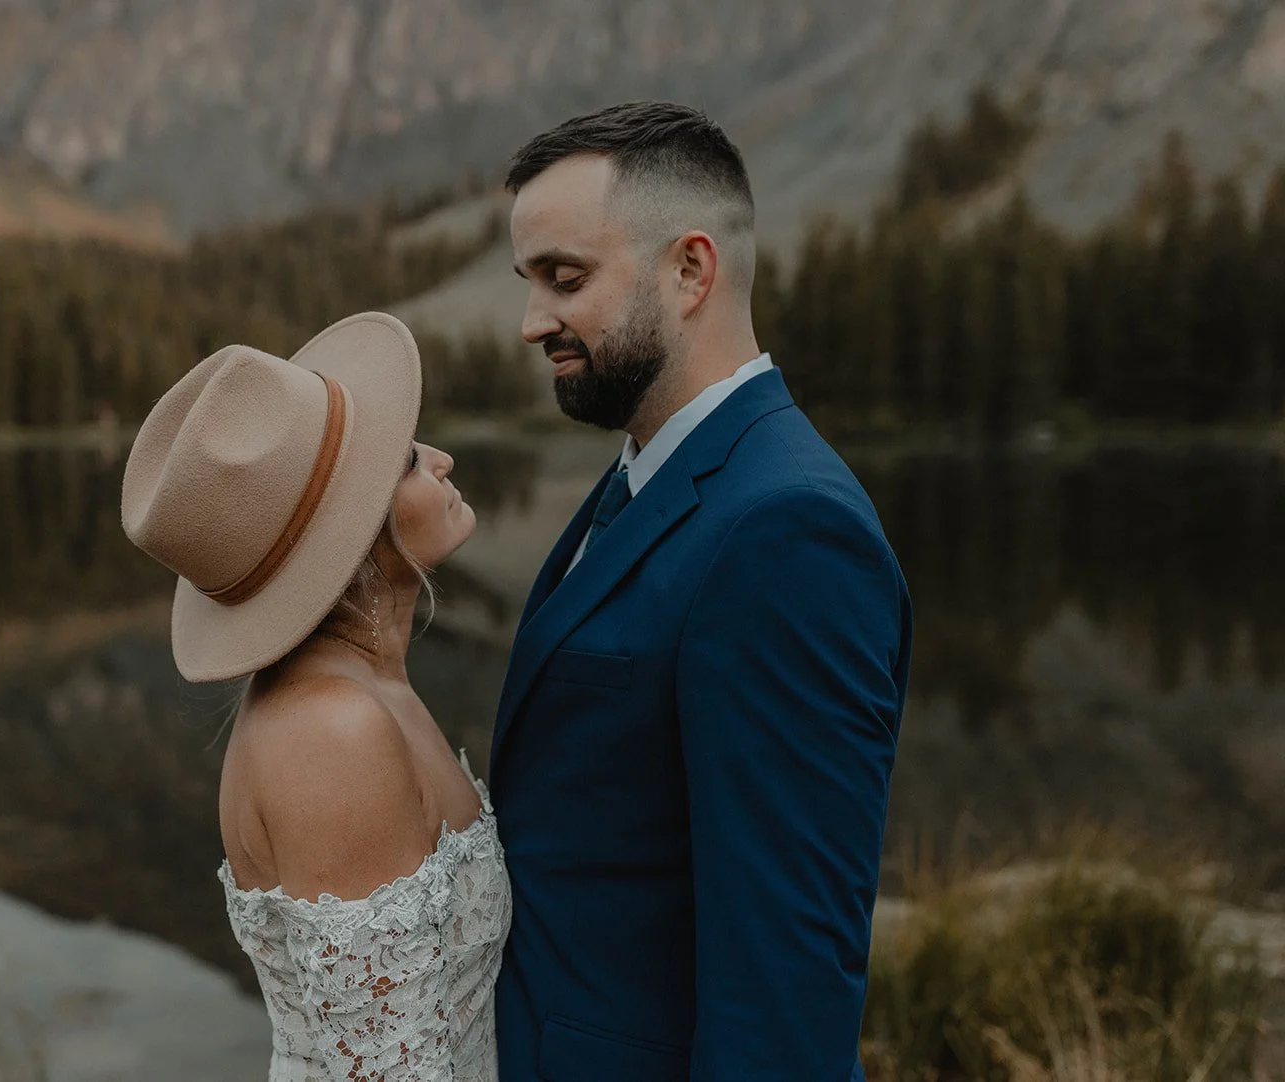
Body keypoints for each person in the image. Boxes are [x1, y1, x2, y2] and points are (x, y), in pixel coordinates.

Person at [490, 101, 914, 1081]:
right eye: (527, 282)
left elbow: (787, 976)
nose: (528, 322)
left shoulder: (789, 530)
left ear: (690, 269)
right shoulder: (647, 469)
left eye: (564, 277)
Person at [120, 312, 510, 1081]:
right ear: (355, 529)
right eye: (404, 460)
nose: (441, 458)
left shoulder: (367, 688)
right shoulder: (331, 733)